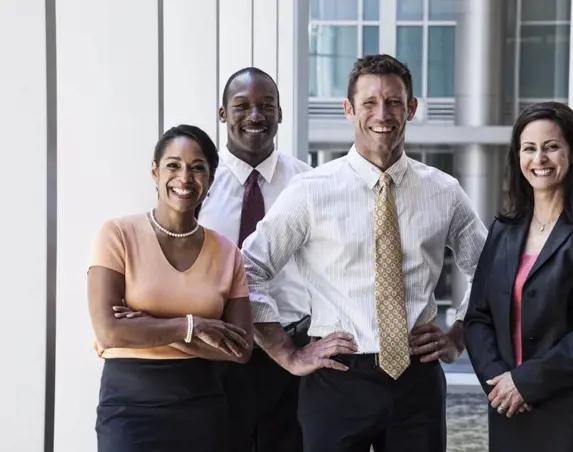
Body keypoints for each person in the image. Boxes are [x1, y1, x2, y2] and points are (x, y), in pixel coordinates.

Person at [240, 54, 488, 452]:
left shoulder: (443, 191)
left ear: (411, 108)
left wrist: (459, 334)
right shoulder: (311, 191)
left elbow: (489, 269)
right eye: (369, 102)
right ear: (349, 109)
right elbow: (247, 269)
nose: (382, 113)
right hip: (337, 377)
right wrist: (284, 351)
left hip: (417, 379)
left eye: (393, 102)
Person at [463, 102, 573, 452]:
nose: (539, 158)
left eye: (551, 147)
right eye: (529, 148)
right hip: (509, 409)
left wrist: (525, 382)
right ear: (518, 158)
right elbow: (478, 317)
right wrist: (500, 384)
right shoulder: (502, 232)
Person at [87, 124, 253, 452]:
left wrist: (145, 324)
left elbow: (241, 349)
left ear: (211, 177)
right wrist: (195, 326)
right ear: (155, 171)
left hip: (202, 408)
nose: (185, 178)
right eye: (173, 165)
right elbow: (108, 331)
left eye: (197, 168)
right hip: (128, 410)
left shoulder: (227, 253)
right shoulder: (117, 234)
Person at [198, 67, 312, 452]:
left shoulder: (307, 182)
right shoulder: (198, 185)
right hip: (220, 353)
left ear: (280, 113)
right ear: (222, 114)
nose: (255, 115)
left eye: (266, 105)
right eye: (241, 106)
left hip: (293, 350)